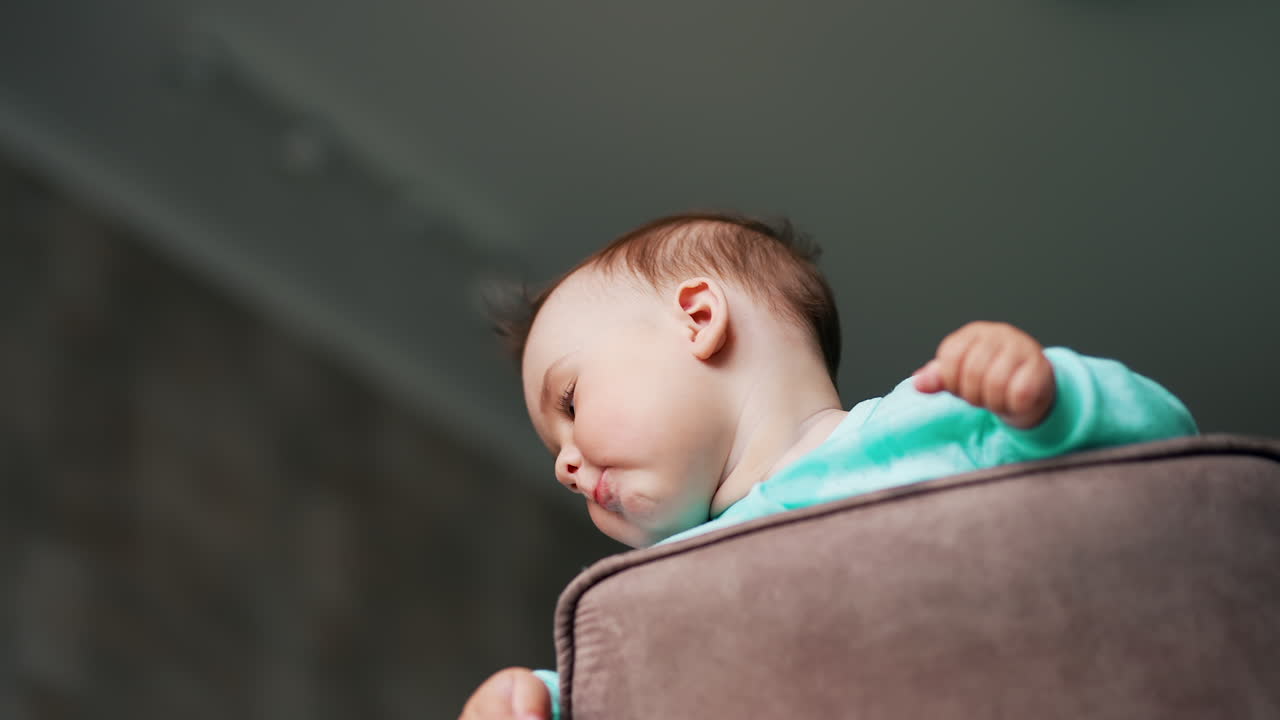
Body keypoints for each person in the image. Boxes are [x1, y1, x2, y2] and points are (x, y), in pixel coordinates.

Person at [460, 212, 1197, 720]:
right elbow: (621, 683)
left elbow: (1170, 454)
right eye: (555, 451)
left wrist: (1050, 400)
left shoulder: (932, 419)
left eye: (570, 401)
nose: (565, 465)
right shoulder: (652, 586)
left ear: (698, 319)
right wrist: (533, 698)